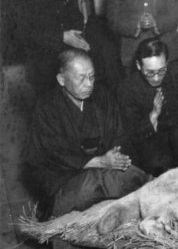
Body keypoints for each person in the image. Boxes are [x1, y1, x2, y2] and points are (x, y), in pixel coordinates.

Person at [22, 49, 149, 248]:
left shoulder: (102, 98)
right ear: (61, 80)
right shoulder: (46, 108)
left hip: (105, 173)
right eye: (81, 78)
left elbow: (119, 133)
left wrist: (115, 156)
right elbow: (52, 153)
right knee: (96, 180)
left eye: (92, 77)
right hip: (64, 185)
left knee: (127, 176)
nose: (89, 84)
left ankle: (155, 188)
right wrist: (99, 161)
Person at [3, 0, 122, 94]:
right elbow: (23, 33)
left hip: (69, 49)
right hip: (43, 60)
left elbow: (75, 14)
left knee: (105, 52)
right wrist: (62, 36)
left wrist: (77, 34)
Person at [117, 38, 178, 176]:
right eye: (149, 72)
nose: (156, 78)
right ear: (139, 66)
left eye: (161, 70)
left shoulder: (177, 74)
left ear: (167, 64)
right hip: (149, 142)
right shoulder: (127, 89)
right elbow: (131, 134)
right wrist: (153, 115)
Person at [107, 0, 178, 74]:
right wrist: (135, 25)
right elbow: (113, 20)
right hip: (133, 53)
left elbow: (176, 13)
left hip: (168, 48)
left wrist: (157, 23)